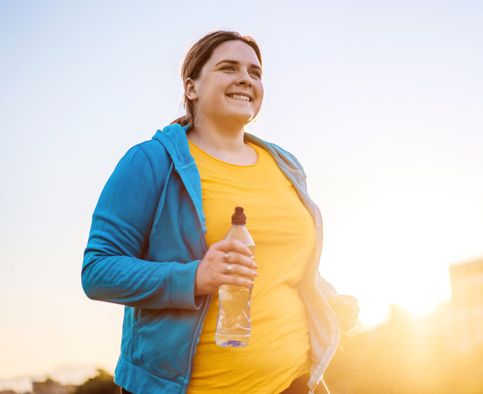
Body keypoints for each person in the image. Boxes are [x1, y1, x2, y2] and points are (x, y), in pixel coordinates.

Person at [82, 30, 359, 394]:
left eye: (255, 72)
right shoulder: (151, 161)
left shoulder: (286, 165)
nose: (246, 78)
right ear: (191, 87)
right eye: (229, 68)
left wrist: (328, 296)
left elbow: (289, 265)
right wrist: (195, 277)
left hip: (294, 381)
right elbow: (98, 271)